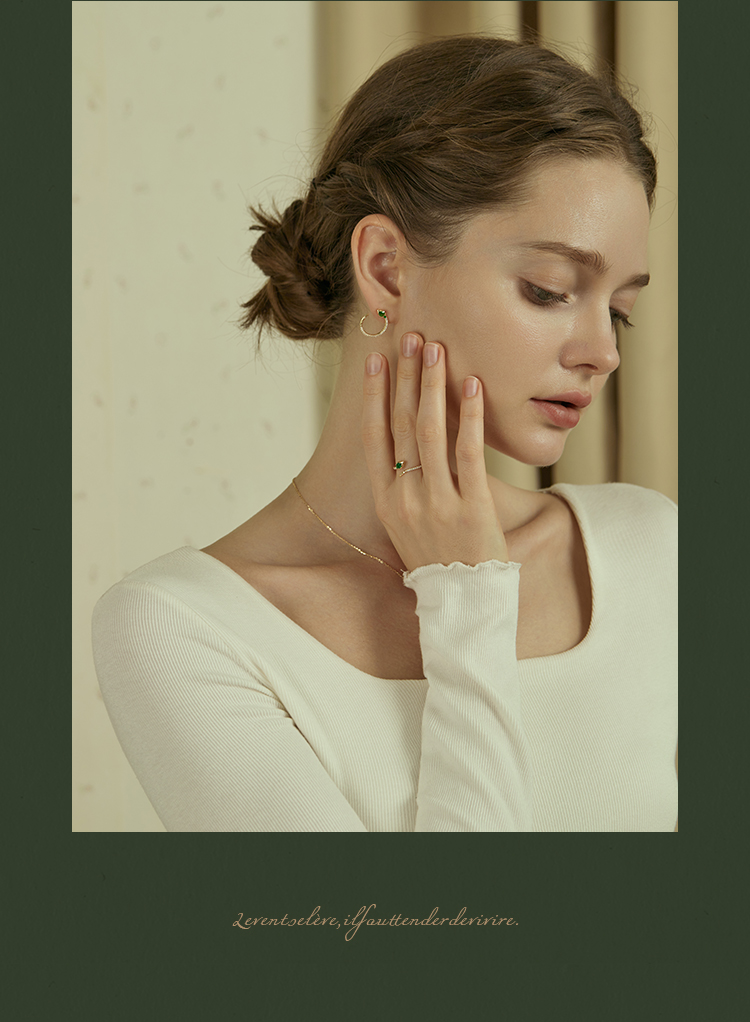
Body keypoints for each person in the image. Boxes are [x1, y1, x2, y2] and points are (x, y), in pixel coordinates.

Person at [92, 35, 677, 832]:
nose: (602, 353)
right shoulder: (183, 630)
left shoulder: (650, 552)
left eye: (619, 311)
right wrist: (465, 594)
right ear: (385, 269)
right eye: (549, 290)